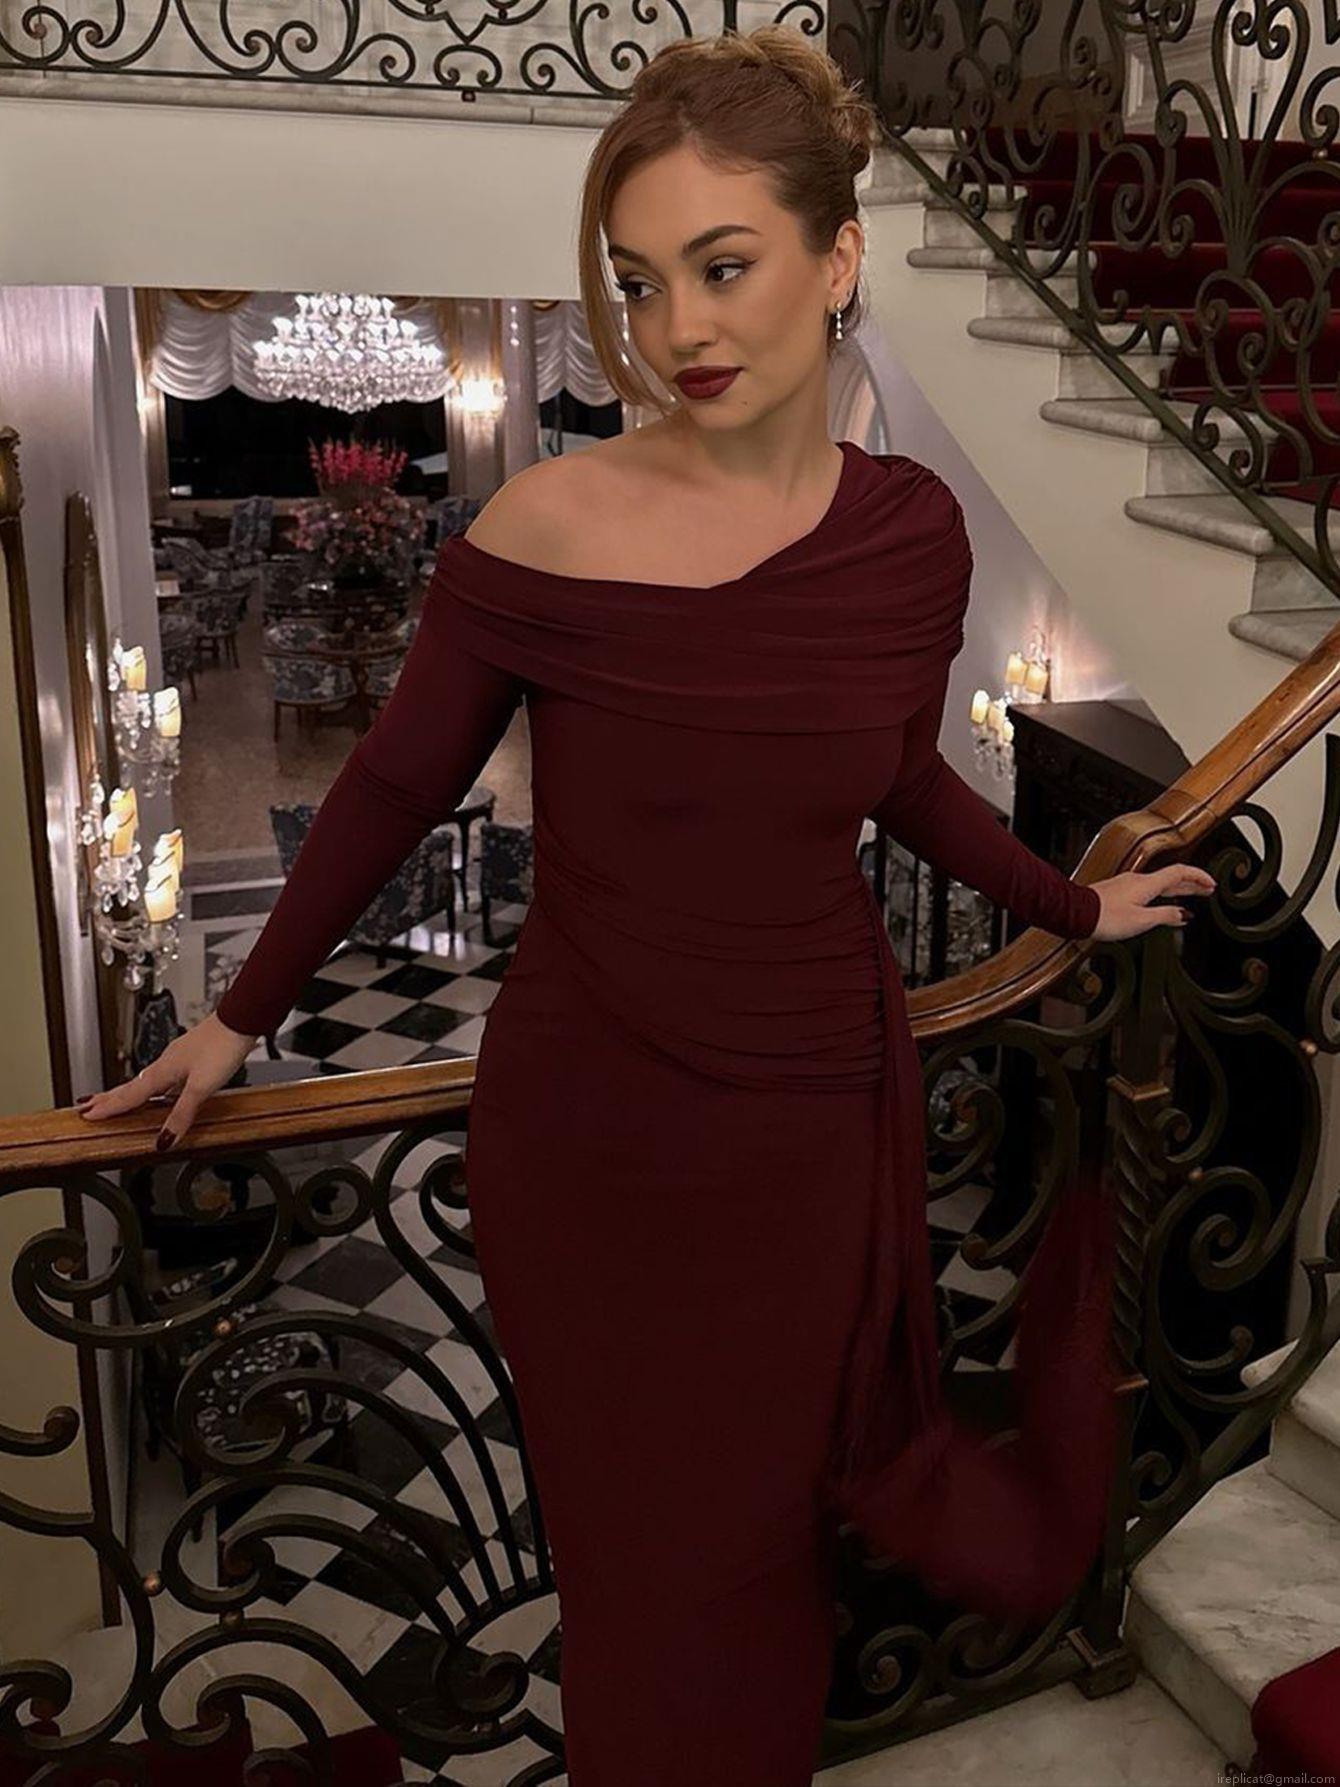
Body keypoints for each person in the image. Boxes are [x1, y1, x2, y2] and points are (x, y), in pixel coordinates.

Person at [77, 25, 1217, 1784]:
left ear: (838, 259)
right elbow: (391, 790)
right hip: (595, 1139)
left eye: (723, 265)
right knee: (643, 1579)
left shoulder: (913, 536)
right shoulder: (543, 526)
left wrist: (1070, 909)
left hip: (810, 1128)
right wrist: (238, 1016)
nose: (678, 325)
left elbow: (902, 778)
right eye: (636, 279)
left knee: (765, 1569)